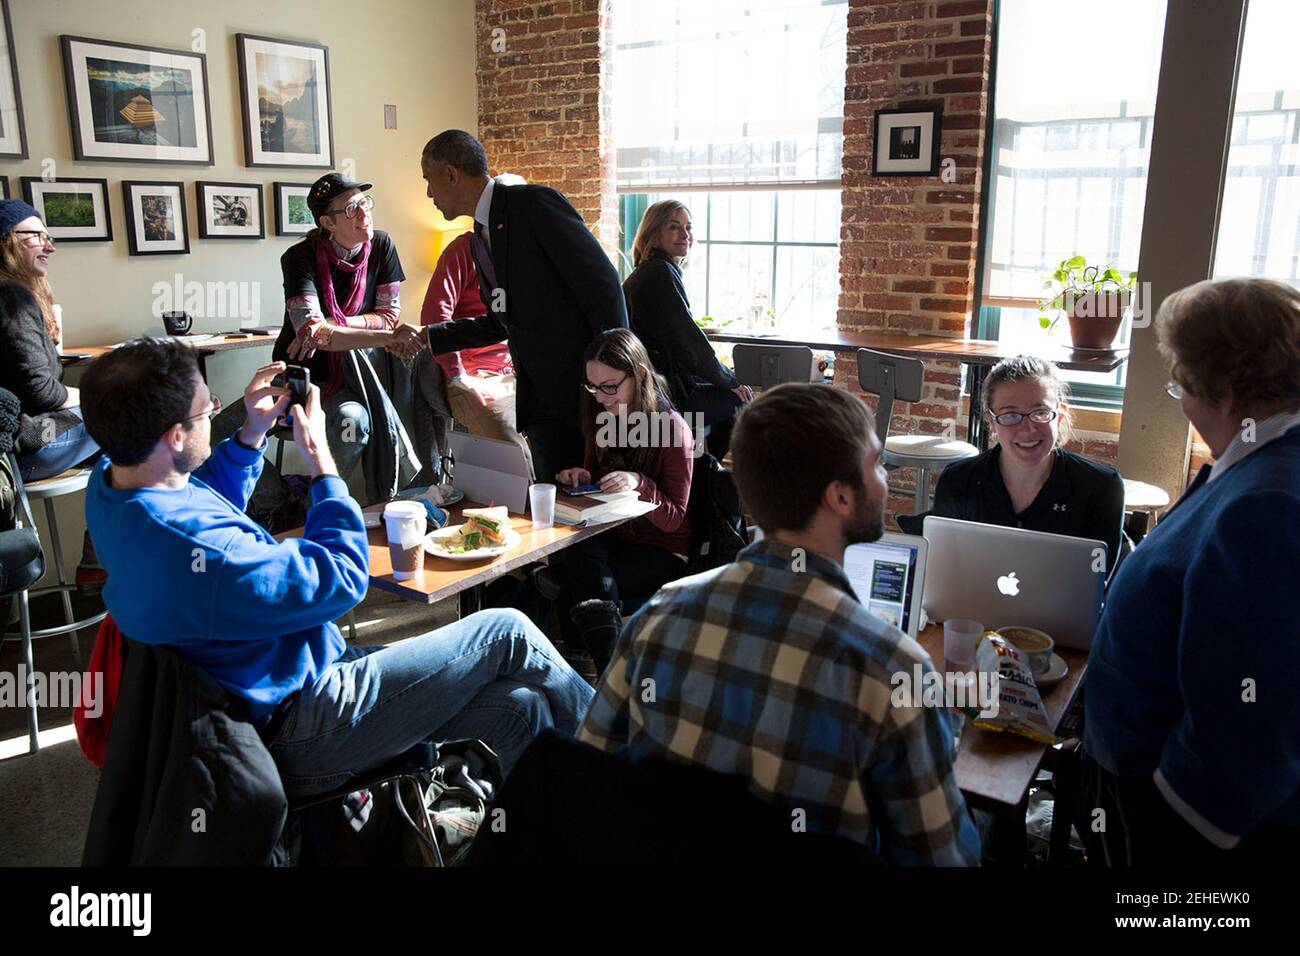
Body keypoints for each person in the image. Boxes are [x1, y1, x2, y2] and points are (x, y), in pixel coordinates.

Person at [79, 339, 594, 795]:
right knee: (505, 632)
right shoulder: (207, 553)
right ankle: (621, 751)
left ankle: (519, 821)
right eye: (206, 409)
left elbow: (201, 498)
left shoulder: (114, 486)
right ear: (173, 436)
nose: (217, 411)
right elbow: (342, 579)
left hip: (284, 682)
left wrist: (250, 436)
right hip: (297, 722)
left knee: (520, 705)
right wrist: (323, 465)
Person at [579, 383, 980, 864]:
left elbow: (594, 776)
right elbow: (943, 858)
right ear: (840, 497)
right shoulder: (894, 669)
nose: (885, 476)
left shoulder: (659, 615)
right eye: (877, 463)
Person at [1082, 277, 1300, 865]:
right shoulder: (1258, 464)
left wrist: (1169, 821)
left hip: (1179, 819)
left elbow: (1252, 711)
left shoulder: (1269, 503)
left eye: (1181, 382)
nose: (1178, 397)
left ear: (1228, 389)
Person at [418, 130, 628, 484]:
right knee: (553, 508)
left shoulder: (533, 205)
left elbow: (604, 286)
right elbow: (502, 321)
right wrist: (430, 336)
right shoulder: (479, 237)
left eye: (429, 180)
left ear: (452, 174)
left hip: (581, 395)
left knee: (591, 508)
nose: (428, 193)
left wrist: (615, 380)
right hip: (538, 400)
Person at [215, 172, 429, 510]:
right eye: (351, 208)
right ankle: (278, 501)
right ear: (328, 222)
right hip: (297, 377)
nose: (364, 214)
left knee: (352, 423)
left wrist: (330, 325)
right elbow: (312, 335)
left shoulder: (383, 246)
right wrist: (374, 335)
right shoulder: (298, 258)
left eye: (364, 203)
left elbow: (384, 315)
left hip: (353, 380)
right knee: (217, 432)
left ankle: (318, 507)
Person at [898, 355, 1124, 573]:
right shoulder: (958, 481)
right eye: (1010, 415)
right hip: (970, 611)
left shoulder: (1100, 487)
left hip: (1062, 614)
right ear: (991, 422)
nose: (1028, 429)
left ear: (1060, 416)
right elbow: (943, 572)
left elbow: (1099, 584)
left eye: (1040, 413)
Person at [553, 329, 693, 676]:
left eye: (610, 386)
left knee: (574, 588)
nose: (600, 397)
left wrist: (639, 482)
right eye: (593, 386)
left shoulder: (671, 428)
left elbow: (675, 518)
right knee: (580, 549)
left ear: (639, 376)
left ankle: (596, 669)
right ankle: (603, 669)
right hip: (615, 534)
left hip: (662, 548)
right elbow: (597, 480)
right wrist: (583, 478)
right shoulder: (602, 416)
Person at [0, 199, 104, 585]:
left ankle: (101, 560)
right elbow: (42, 392)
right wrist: (100, 398)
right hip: (26, 444)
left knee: (117, 446)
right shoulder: (11, 297)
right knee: (132, 419)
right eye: (36, 235)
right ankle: (109, 557)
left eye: (49, 235)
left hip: (13, 450)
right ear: (6, 241)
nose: (50, 245)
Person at [622, 200, 752, 455]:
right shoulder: (659, 274)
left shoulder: (649, 271)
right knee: (742, 402)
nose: (685, 235)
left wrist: (725, 379)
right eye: (674, 227)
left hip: (656, 386)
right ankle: (700, 475)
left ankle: (698, 466)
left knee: (731, 398)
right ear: (654, 234)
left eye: (688, 227)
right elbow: (688, 343)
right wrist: (730, 381)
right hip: (667, 393)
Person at [417, 227, 531, 474]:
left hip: (517, 370)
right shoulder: (462, 250)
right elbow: (435, 317)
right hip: (474, 375)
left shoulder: (524, 253)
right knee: (510, 448)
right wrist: (459, 377)